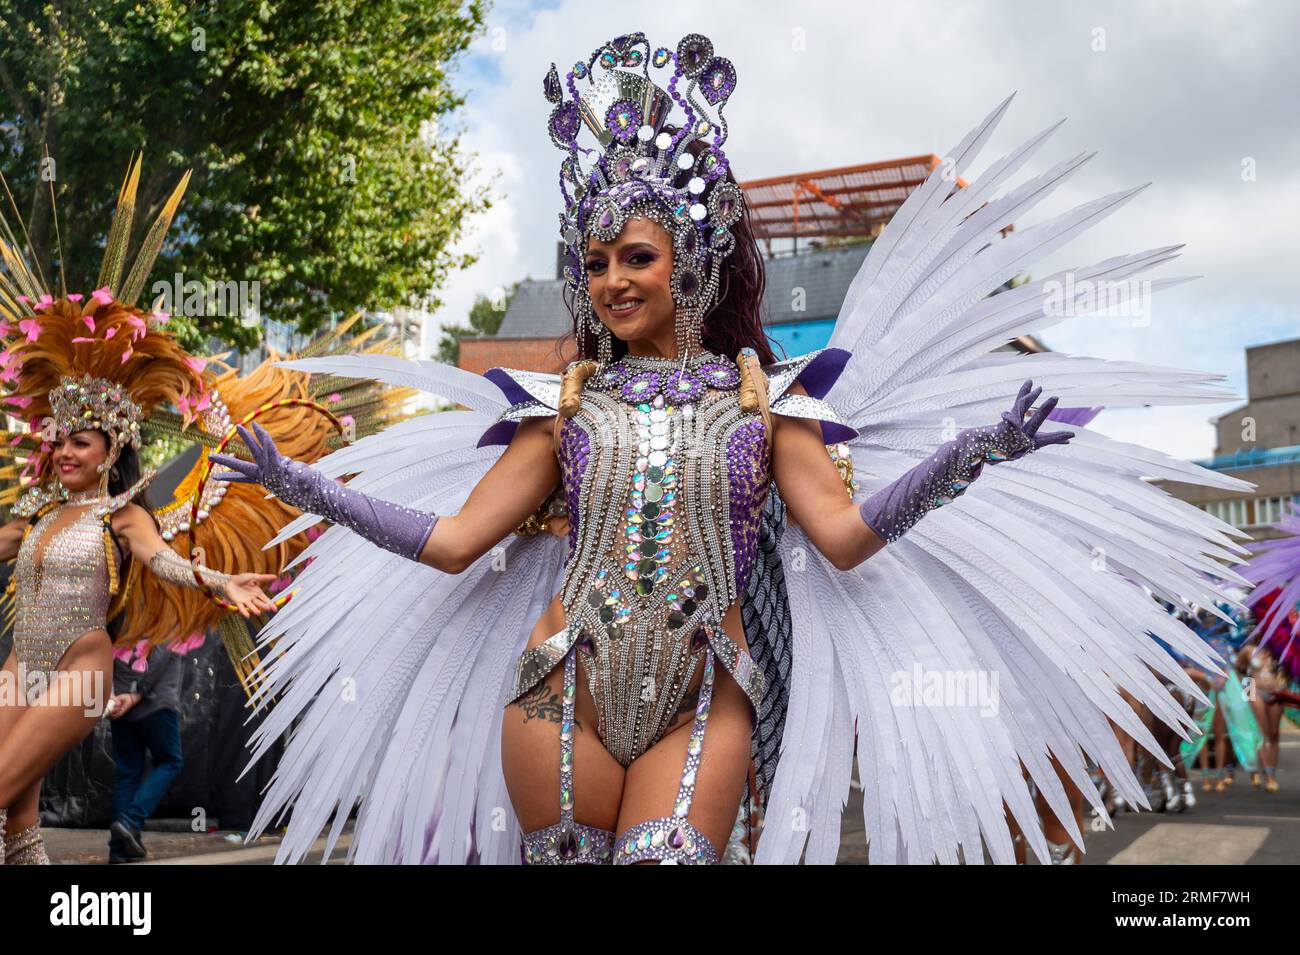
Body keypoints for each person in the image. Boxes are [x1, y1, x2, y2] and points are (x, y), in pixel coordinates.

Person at [216, 30, 1244, 865]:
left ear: (690, 259)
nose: (613, 280)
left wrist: (968, 455)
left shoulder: (768, 401)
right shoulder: (563, 404)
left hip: (704, 700)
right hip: (557, 696)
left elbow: (842, 535)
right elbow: (451, 541)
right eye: (595, 261)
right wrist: (301, 485)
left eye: (636, 256)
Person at [0, 168, 277, 865]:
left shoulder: (120, 515)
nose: (64, 450)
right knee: (15, 825)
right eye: (60, 439)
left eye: (80, 441)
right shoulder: (36, 512)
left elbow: (163, 560)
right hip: (19, 663)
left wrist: (221, 583)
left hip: (81, 664)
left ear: (111, 448)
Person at [106, 642, 187, 863]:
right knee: (170, 761)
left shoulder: (119, 612)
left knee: (128, 775)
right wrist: (136, 695)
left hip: (120, 705)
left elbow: (103, 651)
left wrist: (111, 693)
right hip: (155, 703)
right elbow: (161, 654)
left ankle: (119, 851)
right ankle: (130, 822)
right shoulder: (169, 611)